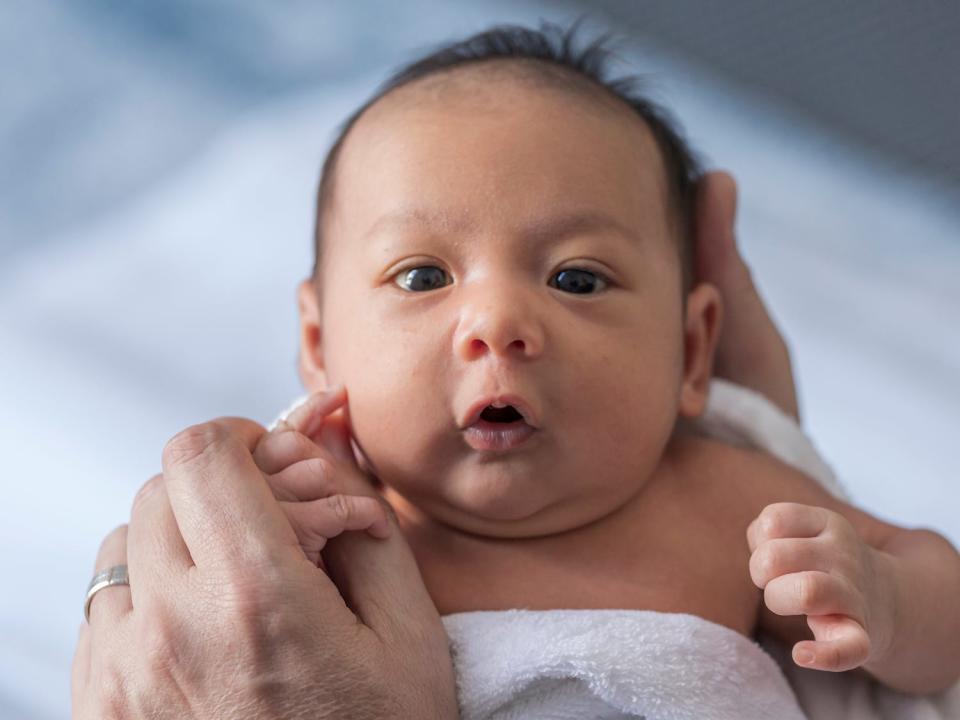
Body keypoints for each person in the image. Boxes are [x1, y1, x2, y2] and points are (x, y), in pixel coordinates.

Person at [72, 21, 960, 718]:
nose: (498, 324)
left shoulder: (731, 502)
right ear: (319, 345)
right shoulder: (315, 527)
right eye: (422, 277)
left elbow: (939, 605)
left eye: (577, 278)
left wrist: (877, 597)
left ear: (692, 353)